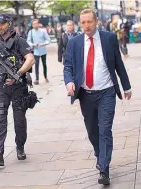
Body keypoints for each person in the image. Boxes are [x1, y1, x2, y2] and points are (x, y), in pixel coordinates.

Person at [63, 9, 132, 185]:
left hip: (106, 91)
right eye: (83, 22)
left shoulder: (108, 38)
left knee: (105, 130)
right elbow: (68, 66)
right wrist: (69, 81)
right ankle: (99, 155)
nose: (86, 26)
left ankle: (104, 168)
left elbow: (118, 63)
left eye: (89, 22)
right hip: (85, 94)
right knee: (93, 131)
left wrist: (126, 86)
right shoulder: (75, 43)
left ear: (97, 22)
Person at [0, 14, 35, 166]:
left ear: (9, 24)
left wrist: (19, 73)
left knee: (19, 120)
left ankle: (20, 146)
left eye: (2, 24)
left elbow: (30, 59)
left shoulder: (19, 41)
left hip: (18, 87)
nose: (0, 26)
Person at [27, 19, 51, 85]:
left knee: (44, 64)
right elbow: (28, 41)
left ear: (38, 24)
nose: (35, 25)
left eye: (36, 23)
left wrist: (43, 43)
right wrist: (33, 44)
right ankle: (37, 79)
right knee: (36, 65)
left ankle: (45, 76)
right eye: (34, 24)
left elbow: (48, 40)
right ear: (32, 25)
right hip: (36, 51)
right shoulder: (31, 32)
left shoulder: (43, 31)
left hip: (43, 50)